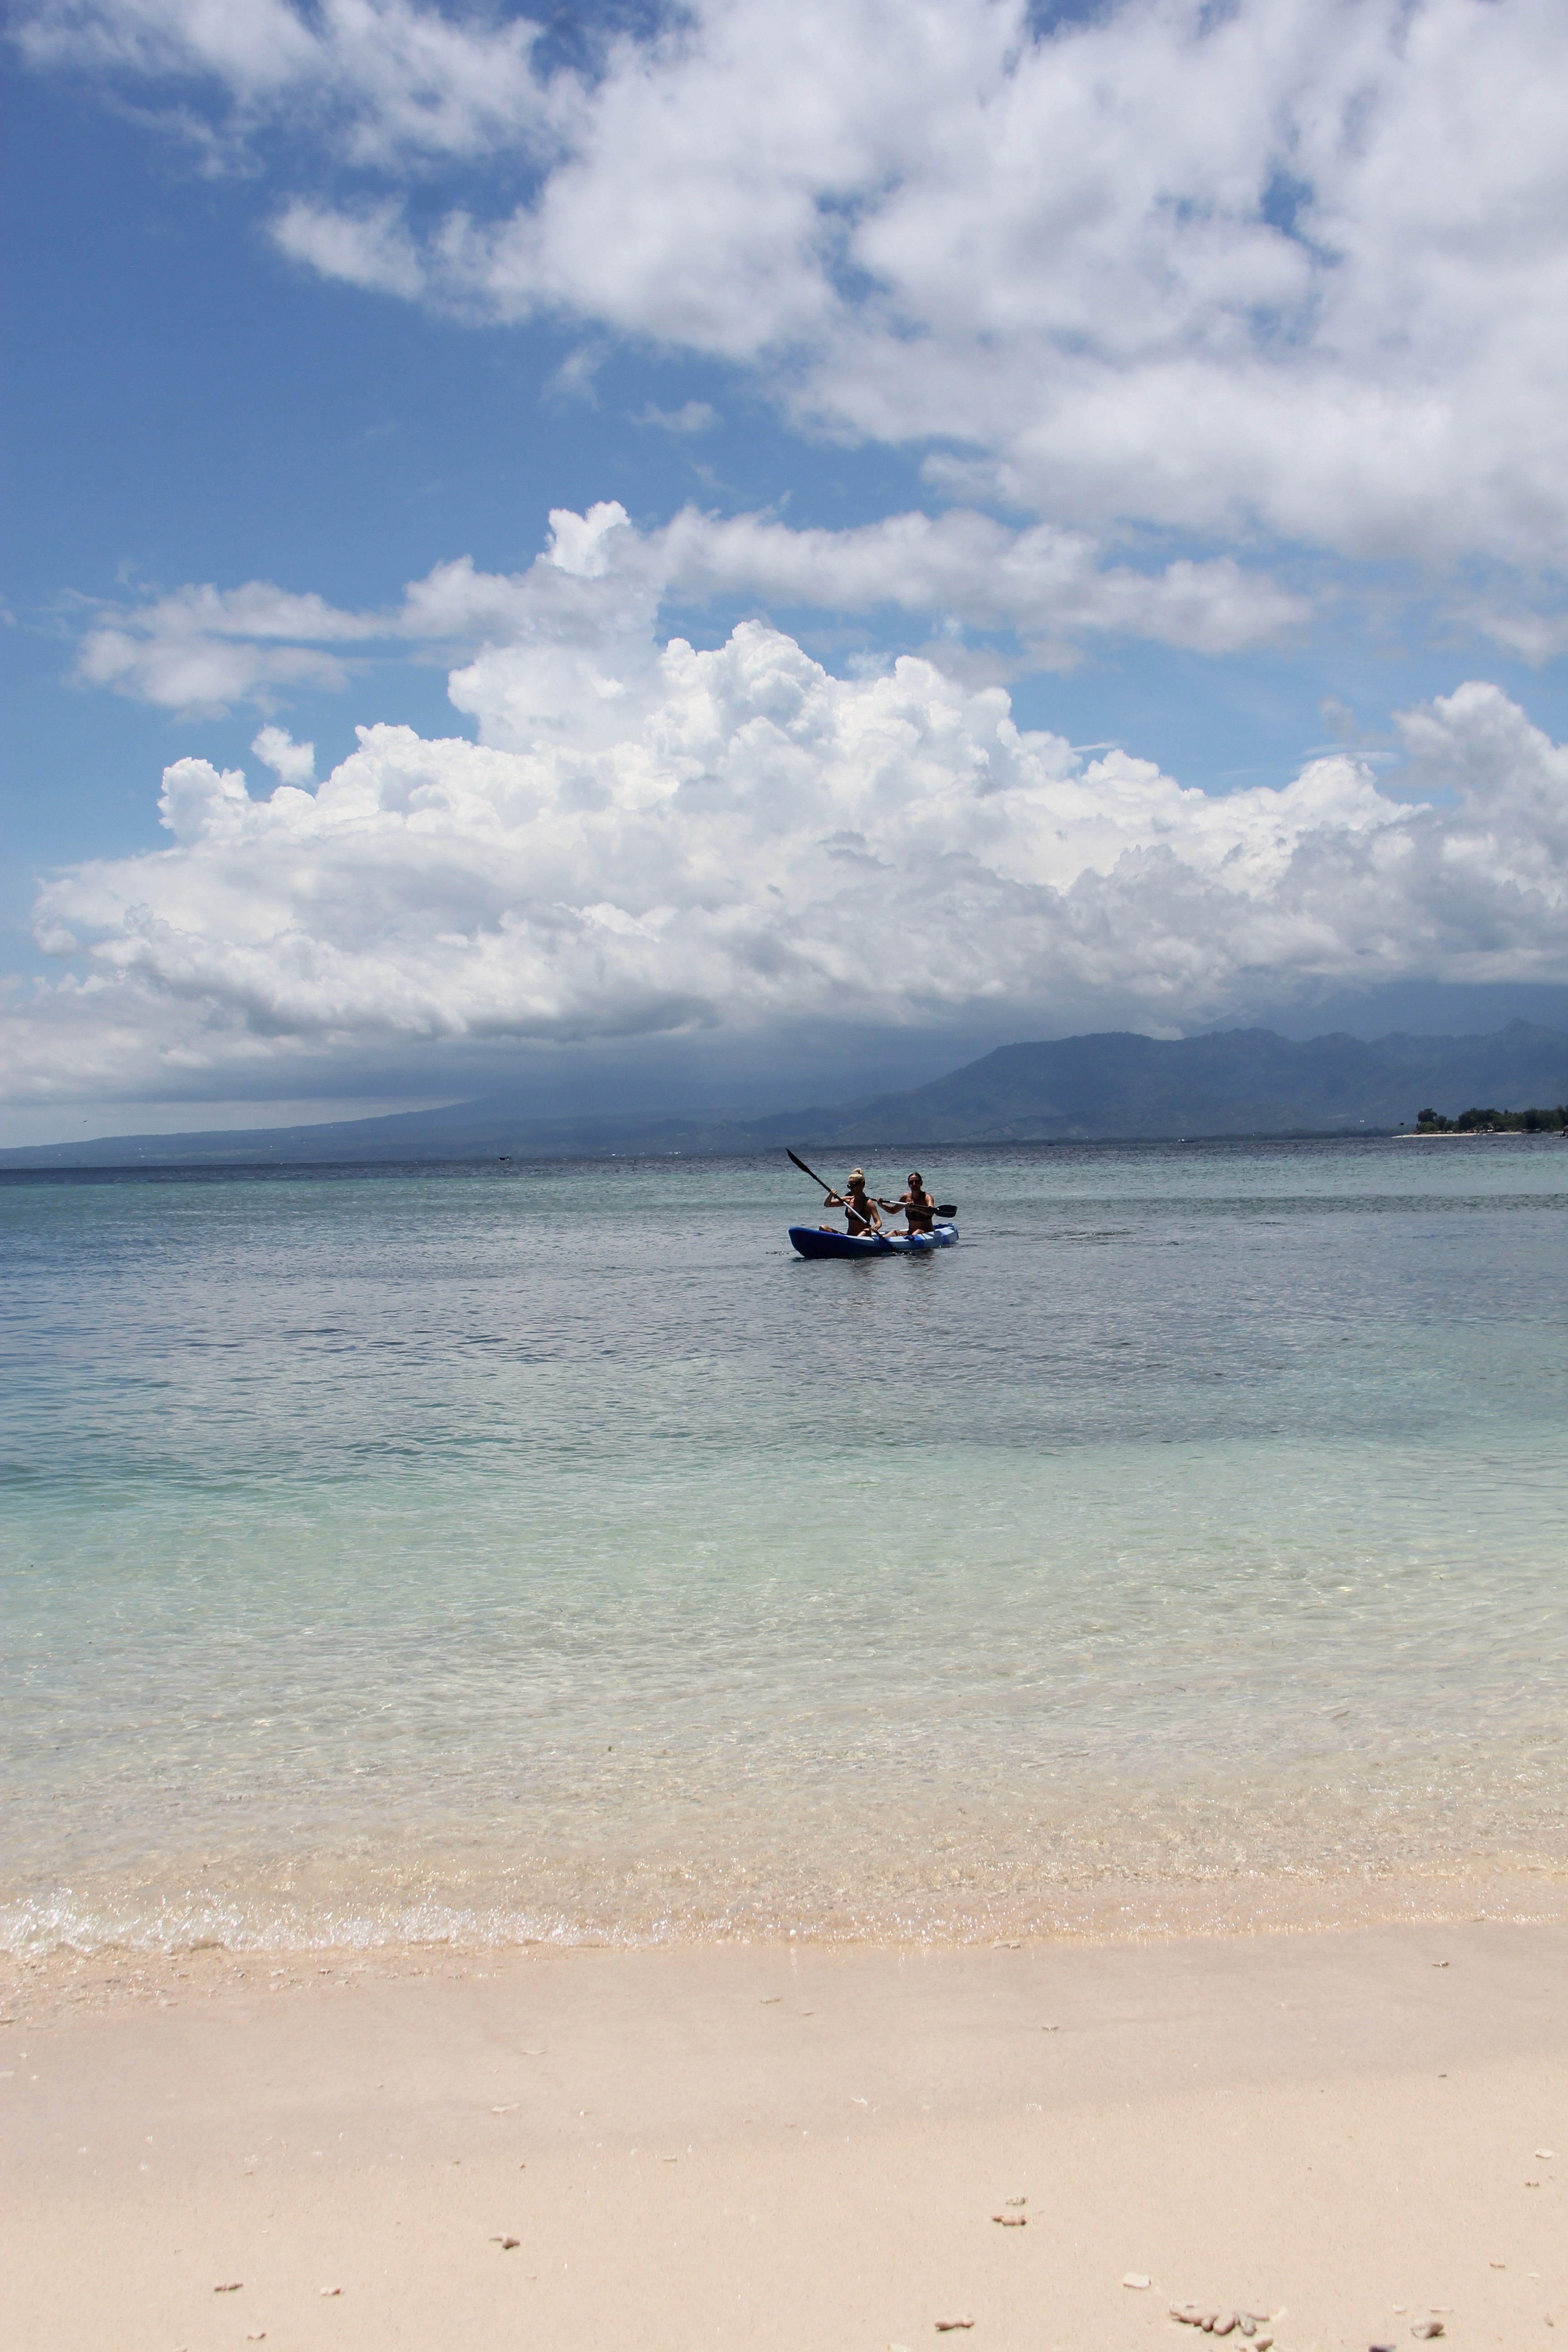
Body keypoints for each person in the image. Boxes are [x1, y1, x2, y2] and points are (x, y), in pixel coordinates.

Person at [822, 1168, 882, 1235]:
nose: (851, 1189)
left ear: (862, 1185)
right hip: (849, 1237)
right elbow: (827, 1205)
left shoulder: (868, 1203)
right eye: (849, 1186)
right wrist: (831, 1195)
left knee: (867, 1230)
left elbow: (878, 1222)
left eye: (853, 1186)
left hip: (864, 1237)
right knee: (823, 1228)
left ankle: (856, 1242)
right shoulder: (848, 1200)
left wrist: (876, 1227)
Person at [879, 1171, 937, 1235]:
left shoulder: (927, 1198)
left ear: (921, 1183)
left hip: (927, 1233)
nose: (914, 1184)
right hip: (911, 1233)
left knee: (918, 1232)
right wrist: (882, 1205)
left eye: (917, 1182)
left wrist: (915, 1209)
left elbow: (932, 1211)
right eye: (911, 1182)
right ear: (909, 1185)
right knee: (893, 1233)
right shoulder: (905, 1198)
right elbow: (893, 1211)